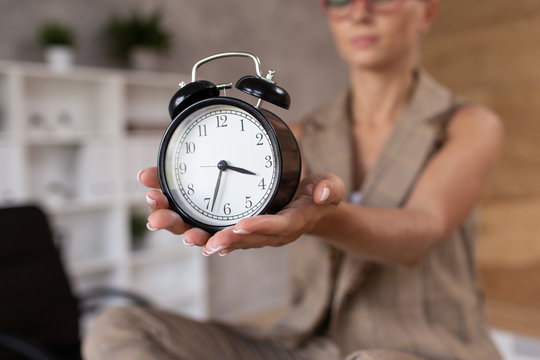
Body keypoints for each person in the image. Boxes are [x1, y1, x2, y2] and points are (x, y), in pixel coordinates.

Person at [84, 0, 504, 359]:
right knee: (117, 327)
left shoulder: (468, 125)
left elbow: (419, 233)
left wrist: (320, 217)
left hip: (418, 347)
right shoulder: (296, 137)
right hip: (304, 344)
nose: (359, 12)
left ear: (427, 11)